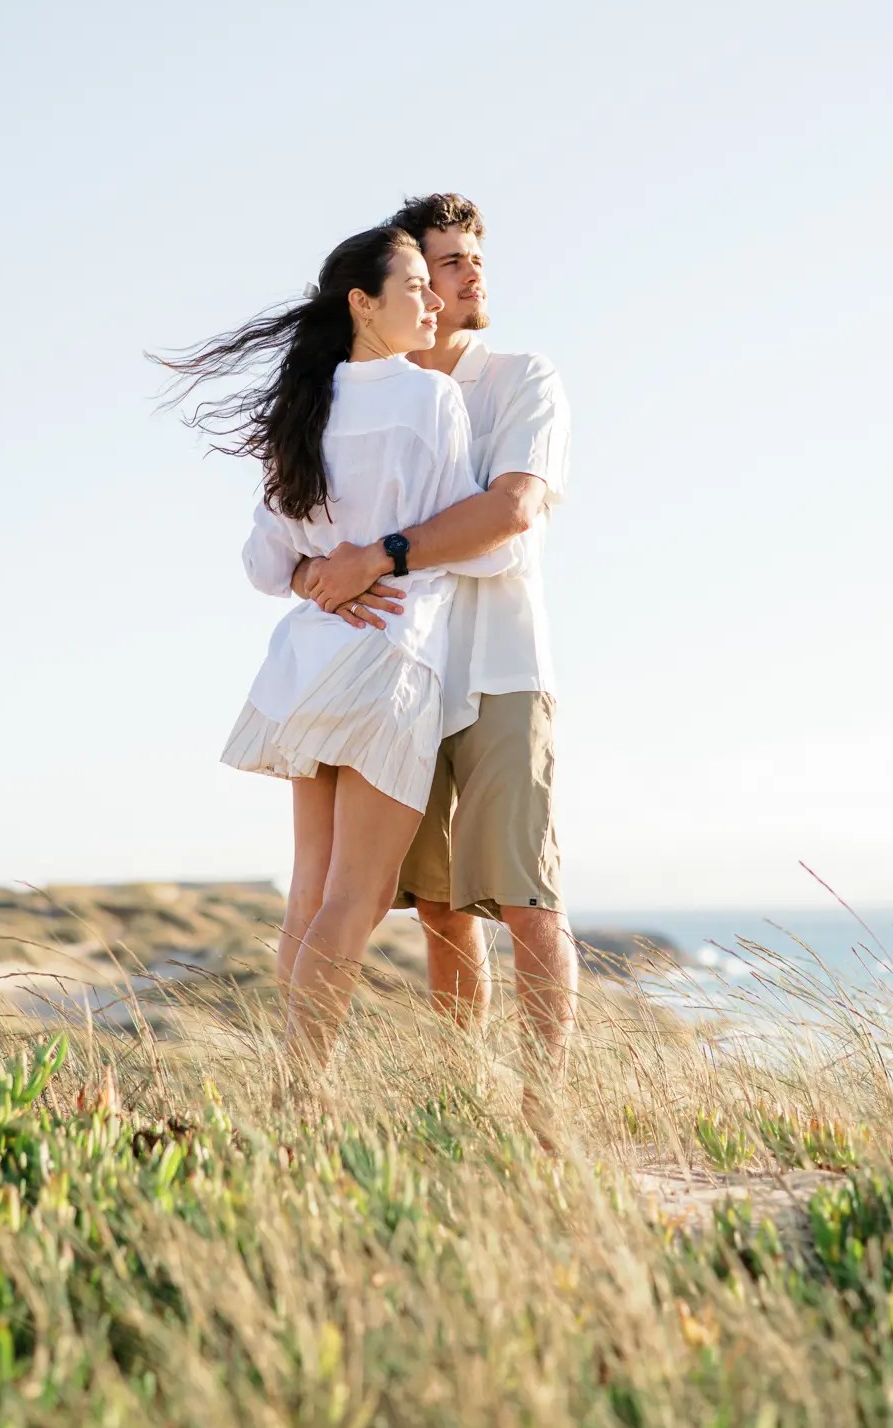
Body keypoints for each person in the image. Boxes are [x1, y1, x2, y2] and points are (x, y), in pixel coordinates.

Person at [153, 225, 517, 1071]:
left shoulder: (303, 409)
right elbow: (487, 545)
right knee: (354, 897)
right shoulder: (430, 400)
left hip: (306, 665)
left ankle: (296, 1081)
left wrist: (321, 567)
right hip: (390, 659)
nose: (433, 300)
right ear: (364, 303)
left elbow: (261, 566)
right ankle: (303, 1087)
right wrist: (385, 557)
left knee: (310, 890)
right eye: (417, 285)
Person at [292, 194, 578, 1136]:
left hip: (497, 668)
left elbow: (508, 516)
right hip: (397, 676)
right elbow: (297, 537)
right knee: (439, 914)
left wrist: (376, 556)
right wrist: (314, 573)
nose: (470, 276)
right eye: (446, 264)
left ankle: (543, 1115)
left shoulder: (519, 378)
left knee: (527, 901)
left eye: (471, 260)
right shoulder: (369, 399)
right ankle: (462, 1100)